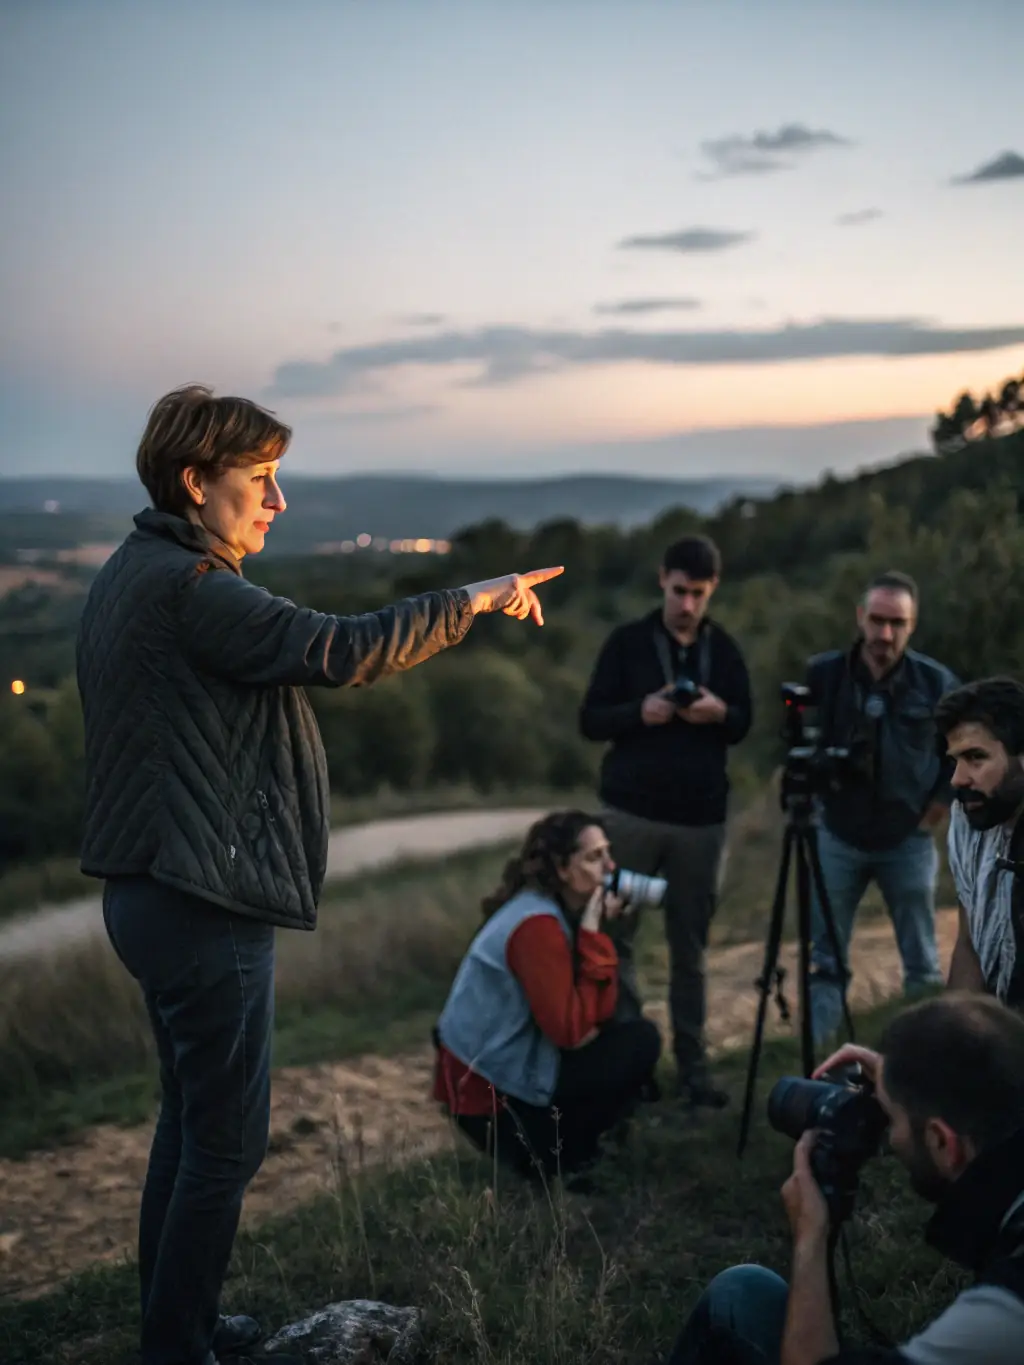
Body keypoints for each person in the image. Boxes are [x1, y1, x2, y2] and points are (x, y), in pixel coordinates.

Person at [75, 384, 565, 1365]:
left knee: (189, 1125)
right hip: (200, 901)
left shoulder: (130, 569)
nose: (278, 502)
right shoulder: (192, 589)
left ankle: (178, 1330)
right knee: (225, 1146)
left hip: (146, 893)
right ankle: (179, 1351)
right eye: (258, 480)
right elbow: (339, 650)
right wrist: (472, 595)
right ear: (193, 482)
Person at [668, 993, 1024, 1364]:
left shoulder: (1000, 1316)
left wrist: (811, 1236)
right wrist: (905, 1077)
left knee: (737, 1295)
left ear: (941, 1142)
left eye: (891, 1117)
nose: (887, 1134)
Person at [578, 535, 752, 1107]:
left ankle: (694, 1071)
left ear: (712, 590)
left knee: (691, 952)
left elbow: (745, 720)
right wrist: (640, 712)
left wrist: (718, 711)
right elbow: (591, 719)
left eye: (698, 594)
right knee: (614, 941)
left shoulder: (722, 650)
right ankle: (633, 1067)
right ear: (662, 581)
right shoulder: (628, 643)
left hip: (701, 822)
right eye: (679, 591)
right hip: (630, 816)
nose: (687, 604)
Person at [432, 810, 662, 1182]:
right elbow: (572, 1033)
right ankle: (568, 1159)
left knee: (622, 1032)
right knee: (640, 1041)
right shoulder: (538, 927)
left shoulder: (547, 909)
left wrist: (594, 932)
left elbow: (598, 1016)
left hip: (496, 1084)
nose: (610, 867)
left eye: (608, 853)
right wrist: (593, 937)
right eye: (593, 857)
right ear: (561, 869)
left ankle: (576, 1148)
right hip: (493, 1106)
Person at [804, 571, 960, 1046]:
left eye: (896, 623)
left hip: (906, 839)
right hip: (838, 833)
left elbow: (961, 750)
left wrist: (936, 807)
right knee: (826, 958)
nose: (884, 634)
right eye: (876, 620)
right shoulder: (826, 675)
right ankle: (819, 1061)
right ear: (860, 618)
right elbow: (800, 742)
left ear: (912, 626)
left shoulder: (935, 683)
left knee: (921, 962)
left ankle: (924, 1057)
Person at [935, 677, 1024, 1009]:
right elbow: (970, 943)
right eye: (955, 760)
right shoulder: (968, 819)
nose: (958, 778)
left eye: (976, 758)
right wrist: (956, 1036)